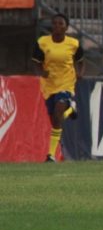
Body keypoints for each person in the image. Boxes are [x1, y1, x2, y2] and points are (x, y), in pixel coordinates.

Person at [31, 13, 84, 163]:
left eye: (61, 24)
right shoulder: (43, 42)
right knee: (55, 120)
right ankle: (71, 110)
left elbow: (80, 61)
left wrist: (80, 73)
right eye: (54, 23)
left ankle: (50, 155)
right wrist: (41, 72)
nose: (57, 26)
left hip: (66, 83)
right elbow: (36, 61)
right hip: (49, 85)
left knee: (58, 110)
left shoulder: (73, 43)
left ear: (66, 27)